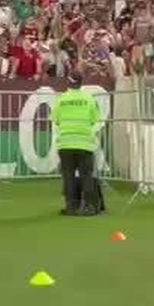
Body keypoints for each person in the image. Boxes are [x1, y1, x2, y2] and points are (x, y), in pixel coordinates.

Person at [50, 70, 103, 216]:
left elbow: (55, 120)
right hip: (85, 143)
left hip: (66, 143)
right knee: (87, 176)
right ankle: (89, 207)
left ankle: (71, 207)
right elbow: (96, 121)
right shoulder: (89, 99)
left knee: (68, 176)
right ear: (81, 83)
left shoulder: (61, 99)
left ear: (68, 82)